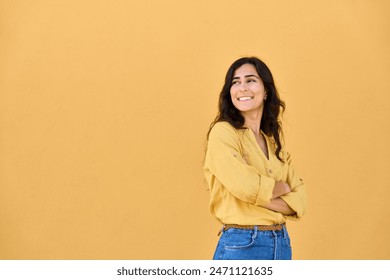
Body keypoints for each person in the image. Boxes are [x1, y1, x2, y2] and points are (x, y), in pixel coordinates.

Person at [203, 56, 307, 260]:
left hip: (281, 243)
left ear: (266, 90)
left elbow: (300, 200)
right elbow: (246, 187)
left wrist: (255, 195)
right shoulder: (223, 133)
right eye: (235, 82)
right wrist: (282, 189)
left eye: (250, 80)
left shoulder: (273, 141)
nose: (242, 87)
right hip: (242, 243)